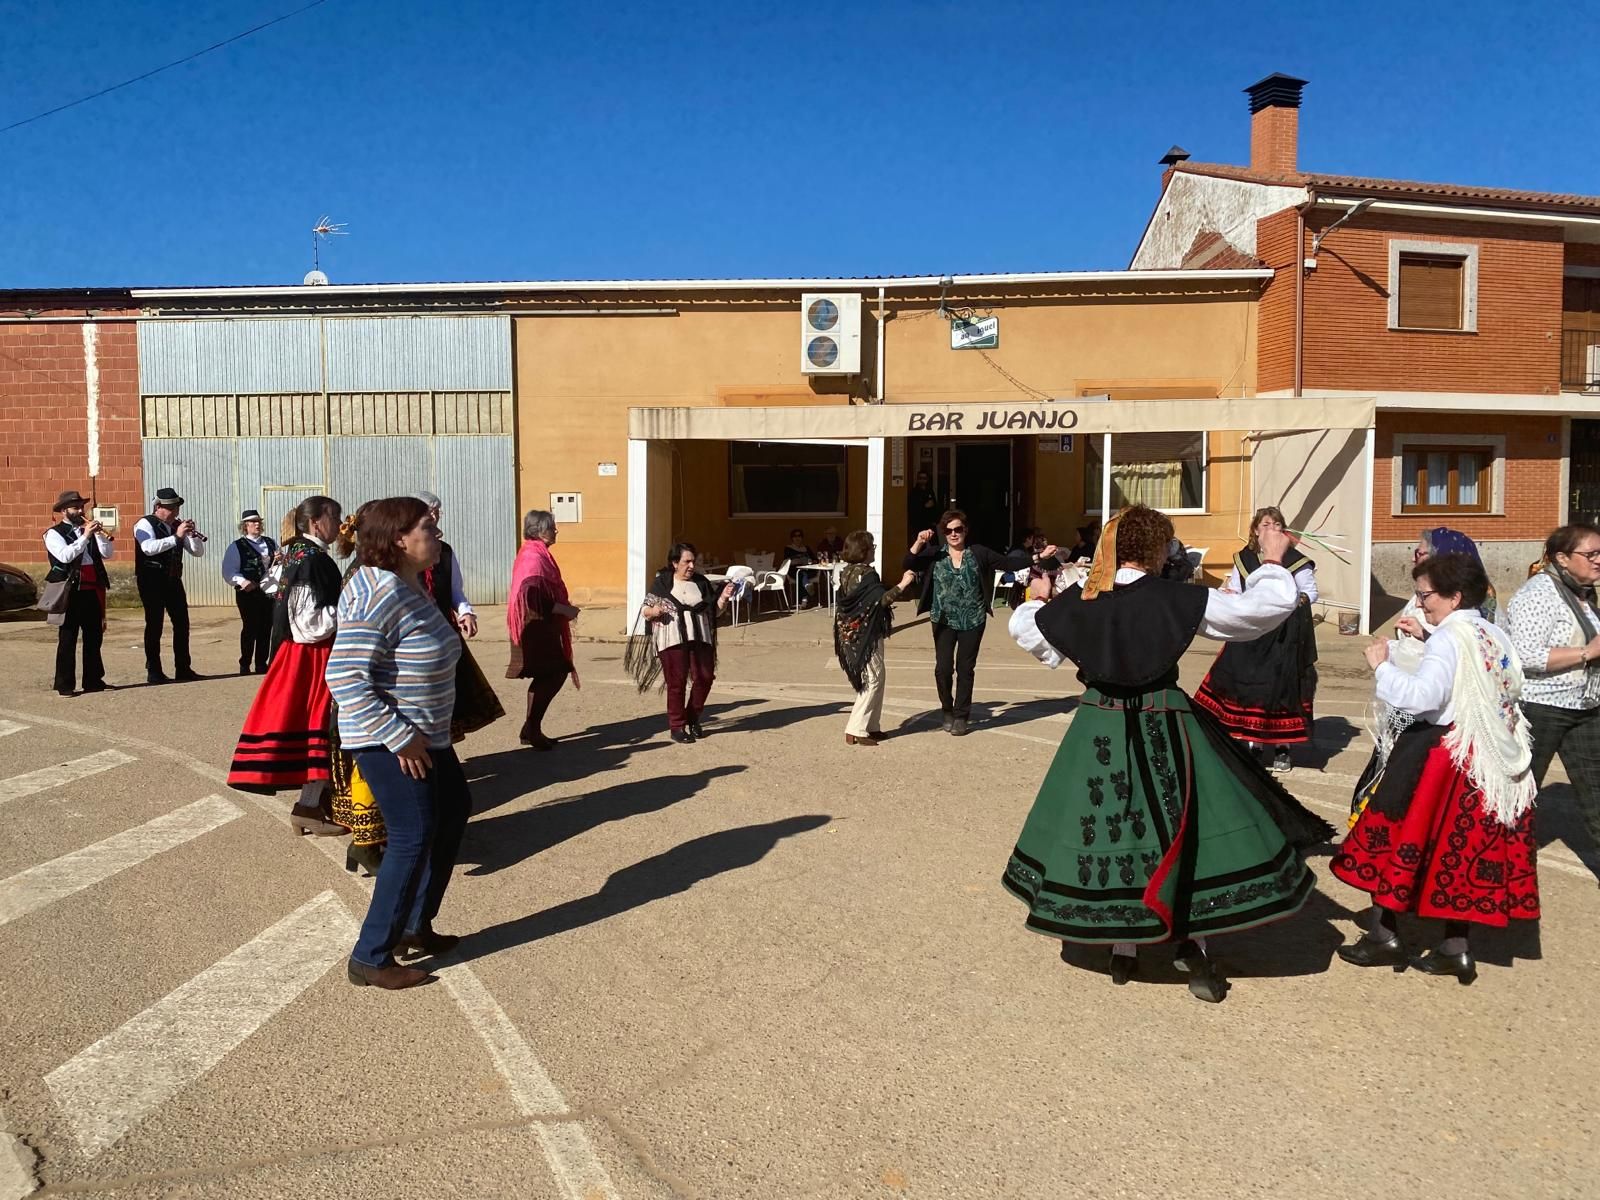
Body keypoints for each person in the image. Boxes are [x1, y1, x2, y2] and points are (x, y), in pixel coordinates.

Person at [1002, 505, 1333, 1003]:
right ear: (1159, 549)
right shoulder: (1178, 598)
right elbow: (1253, 615)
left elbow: (1029, 630)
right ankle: (1194, 948)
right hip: (1164, 721)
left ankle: (1124, 946)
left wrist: (1038, 598)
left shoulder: (1084, 598)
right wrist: (1273, 561)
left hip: (1100, 725)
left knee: (1117, 825)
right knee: (1184, 827)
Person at [1334, 552, 1538, 982]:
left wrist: (1382, 666)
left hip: (1441, 753)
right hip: (1483, 760)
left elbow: (1425, 696)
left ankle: (1384, 935)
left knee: (1400, 839)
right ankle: (1454, 947)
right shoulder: (1489, 632)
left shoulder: (1449, 638)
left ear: (1453, 595)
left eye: (1425, 595)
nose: (1420, 602)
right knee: (1454, 852)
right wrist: (1429, 637)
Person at [328, 496, 469, 990]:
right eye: (427, 527)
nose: (436, 533)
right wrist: (398, 736)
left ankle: (413, 925)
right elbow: (344, 677)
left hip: (426, 736)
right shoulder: (377, 593)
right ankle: (370, 955)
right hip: (392, 741)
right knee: (412, 836)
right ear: (398, 540)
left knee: (453, 813)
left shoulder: (409, 585)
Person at [227, 496, 345, 840]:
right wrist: (351, 608)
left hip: (298, 655)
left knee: (321, 732)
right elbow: (309, 623)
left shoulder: (296, 554)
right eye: (334, 517)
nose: (339, 524)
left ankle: (312, 805)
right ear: (317, 523)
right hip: (311, 656)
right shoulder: (311, 560)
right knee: (324, 730)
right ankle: (310, 806)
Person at [1193, 507, 1319, 774]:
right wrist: (1230, 595)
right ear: (1255, 530)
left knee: (1282, 689)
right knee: (1252, 687)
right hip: (1252, 632)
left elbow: (1310, 592)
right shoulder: (1244, 558)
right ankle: (1255, 743)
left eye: (1276, 524)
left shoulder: (1296, 560)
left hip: (1285, 635)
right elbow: (1238, 590)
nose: (1270, 528)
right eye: (1264, 524)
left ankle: (1284, 748)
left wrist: (1291, 602)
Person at [1505, 523, 1600, 875]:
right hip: (1542, 706)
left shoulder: (1584, 594)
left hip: (1586, 705)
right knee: (1521, 787)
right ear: (1562, 557)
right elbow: (1525, 654)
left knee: (1596, 787)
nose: (1598, 561)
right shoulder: (1539, 594)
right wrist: (1586, 653)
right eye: (1590, 554)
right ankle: (1503, 866)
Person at [903, 509, 1045, 736]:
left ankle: (961, 716)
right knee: (943, 669)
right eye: (948, 530)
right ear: (944, 533)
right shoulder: (935, 554)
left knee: (965, 668)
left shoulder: (978, 553)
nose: (953, 534)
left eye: (958, 529)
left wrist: (1039, 557)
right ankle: (947, 709)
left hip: (973, 618)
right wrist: (919, 542)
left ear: (965, 530)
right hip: (943, 619)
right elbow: (908, 562)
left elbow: (1009, 564)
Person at [415, 491, 504, 742]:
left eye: (437, 511)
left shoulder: (444, 551)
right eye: (429, 511)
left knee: (451, 693)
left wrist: (465, 612)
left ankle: (444, 748)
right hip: (420, 635)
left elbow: (455, 590)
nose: (435, 516)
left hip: (445, 631)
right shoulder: (405, 553)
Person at [626, 542, 736, 743]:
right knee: (676, 684)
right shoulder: (663, 583)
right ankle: (677, 726)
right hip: (672, 640)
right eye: (687, 561)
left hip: (700, 637)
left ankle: (693, 718)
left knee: (705, 677)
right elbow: (645, 610)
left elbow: (715, 612)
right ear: (675, 563)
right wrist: (654, 611)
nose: (692, 566)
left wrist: (724, 598)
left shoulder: (701, 583)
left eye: (694, 561)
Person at [832, 530, 918, 745]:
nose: (874, 550)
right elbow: (880, 601)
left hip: (850, 632)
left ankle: (872, 725)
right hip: (865, 635)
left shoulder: (846, 572)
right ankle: (856, 728)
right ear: (864, 550)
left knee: (876, 678)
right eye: (872, 547)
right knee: (873, 680)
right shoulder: (867, 575)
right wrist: (903, 584)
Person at [507, 509, 580, 750]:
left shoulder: (536, 553)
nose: (555, 531)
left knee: (549, 674)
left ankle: (531, 728)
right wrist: (563, 610)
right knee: (554, 673)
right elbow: (533, 596)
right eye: (552, 527)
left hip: (539, 625)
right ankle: (532, 728)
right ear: (539, 531)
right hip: (534, 626)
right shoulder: (533, 556)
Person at [43, 489, 114, 696]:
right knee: (68, 637)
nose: (80, 510)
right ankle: (64, 684)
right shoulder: (53, 533)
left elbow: (107, 554)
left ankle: (93, 680)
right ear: (64, 511)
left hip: (91, 588)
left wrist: (99, 536)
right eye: (76, 507)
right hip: (70, 589)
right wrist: (85, 536)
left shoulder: (88, 531)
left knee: (94, 636)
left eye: (82, 507)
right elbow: (65, 556)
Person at [133, 487, 204, 683]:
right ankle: (154, 670)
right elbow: (148, 548)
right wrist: (176, 537)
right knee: (154, 625)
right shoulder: (145, 523)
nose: (174, 512)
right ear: (158, 507)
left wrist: (191, 535)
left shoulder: (177, 526)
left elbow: (197, 552)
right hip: (151, 581)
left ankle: (183, 668)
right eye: (170, 508)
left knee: (182, 624)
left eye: (176, 508)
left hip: (173, 580)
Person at [221, 509, 278, 675]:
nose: (257, 524)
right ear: (245, 526)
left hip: (267, 592)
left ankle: (261, 663)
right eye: (252, 522)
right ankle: (245, 663)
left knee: (266, 627)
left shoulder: (270, 543)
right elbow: (228, 571)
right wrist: (243, 582)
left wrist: (279, 560)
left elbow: (276, 566)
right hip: (248, 593)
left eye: (258, 521)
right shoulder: (236, 546)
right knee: (250, 627)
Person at [777, 528, 819, 607]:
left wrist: (809, 561)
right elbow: (787, 561)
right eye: (795, 536)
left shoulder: (806, 548)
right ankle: (805, 595)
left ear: (802, 538)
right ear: (792, 538)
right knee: (801, 574)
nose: (797, 538)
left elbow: (815, 560)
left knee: (803, 575)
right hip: (794, 571)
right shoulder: (788, 548)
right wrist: (799, 561)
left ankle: (804, 598)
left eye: (799, 536)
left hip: (808, 570)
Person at [907, 469, 942, 538]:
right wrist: (924, 506)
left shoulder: (930, 490)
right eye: (920, 478)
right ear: (917, 479)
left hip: (930, 523)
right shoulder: (914, 492)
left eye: (924, 478)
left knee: (934, 544)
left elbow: (934, 505)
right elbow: (912, 508)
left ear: (927, 479)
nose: (922, 480)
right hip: (919, 523)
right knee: (921, 544)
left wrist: (936, 520)